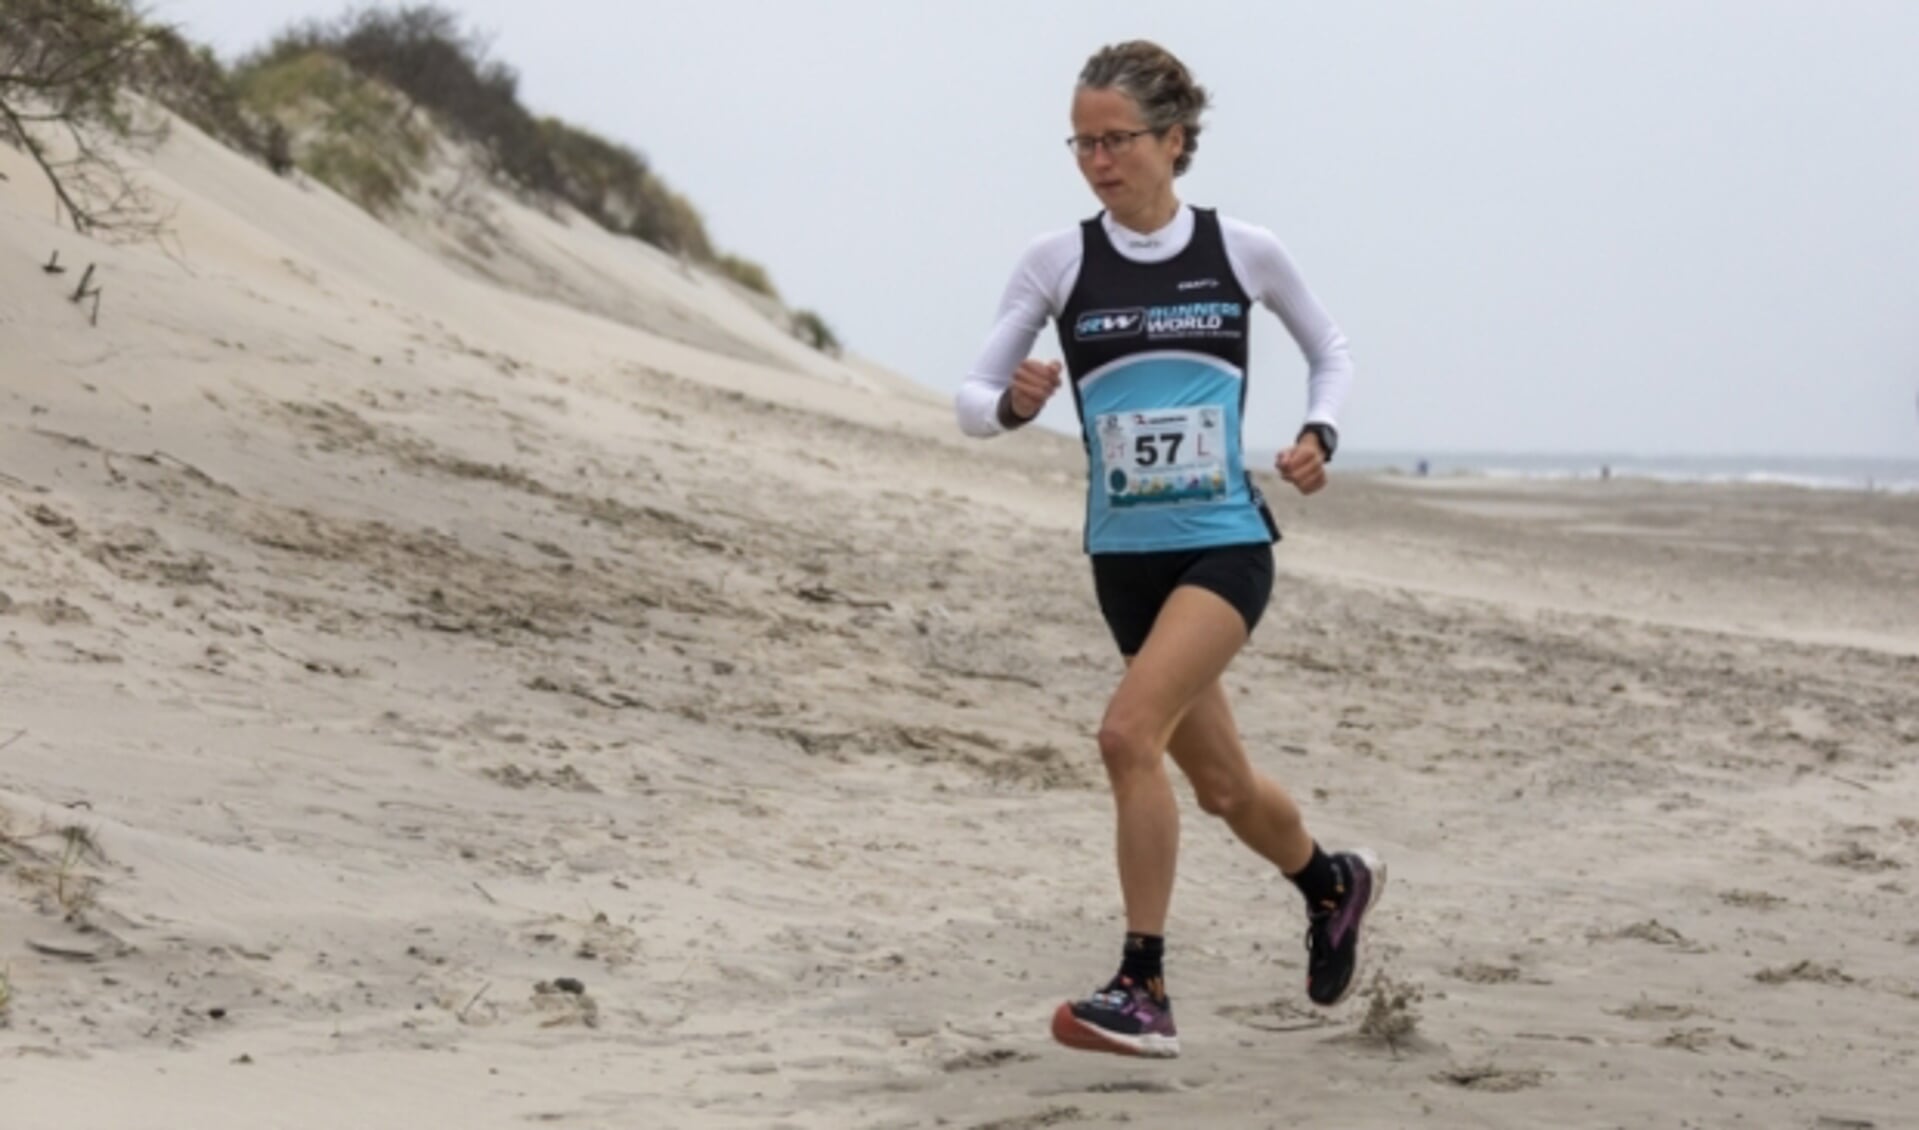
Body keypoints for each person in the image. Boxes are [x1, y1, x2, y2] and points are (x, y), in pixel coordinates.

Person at [955, 40, 1382, 1059]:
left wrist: (1319, 432)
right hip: (1122, 561)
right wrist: (1012, 404)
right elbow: (971, 399)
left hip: (1224, 544)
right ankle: (1331, 882)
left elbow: (1330, 349)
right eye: (1082, 142)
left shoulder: (1241, 249)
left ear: (1174, 139)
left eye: (1117, 140)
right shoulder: (1054, 261)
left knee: (1123, 735)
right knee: (1223, 786)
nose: (1097, 160)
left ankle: (1141, 984)